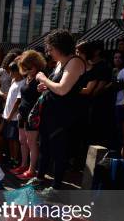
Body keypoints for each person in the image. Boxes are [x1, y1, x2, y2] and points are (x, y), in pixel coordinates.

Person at [31, 29, 87, 190]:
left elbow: (63, 89)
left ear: (59, 47)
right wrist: (45, 86)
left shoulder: (75, 62)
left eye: (50, 49)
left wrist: (43, 78)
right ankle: (40, 178)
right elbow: (55, 86)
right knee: (45, 148)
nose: (49, 53)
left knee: (59, 152)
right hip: (51, 114)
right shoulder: (60, 63)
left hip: (64, 117)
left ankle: (56, 187)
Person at [13, 50, 46, 180]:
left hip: (33, 115)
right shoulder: (27, 76)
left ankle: (31, 169)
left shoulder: (40, 76)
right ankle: (23, 165)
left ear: (36, 64)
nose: (27, 70)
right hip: (22, 113)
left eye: (29, 67)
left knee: (31, 142)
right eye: (25, 67)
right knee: (22, 141)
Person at [3, 61, 25, 170]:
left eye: (12, 72)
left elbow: (18, 101)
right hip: (7, 115)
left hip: (14, 117)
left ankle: (16, 159)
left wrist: (10, 116)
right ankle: (11, 158)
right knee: (9, 139)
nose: (10, 74)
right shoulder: (13, 81)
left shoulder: (23, 83)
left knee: (15, 139)